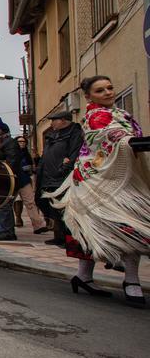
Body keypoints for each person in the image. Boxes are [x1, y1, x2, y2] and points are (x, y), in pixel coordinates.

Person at [50, 75, 150, 307]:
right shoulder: (93, 116)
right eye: (100, 90)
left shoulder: (122, 115)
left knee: (129, 224)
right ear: (88, 96)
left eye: (110, 87)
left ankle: (130, 279)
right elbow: (104, 136)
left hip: (122, 179)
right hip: (96, 180)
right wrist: (126, 141)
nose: (107, 92)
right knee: (99, 227)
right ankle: (86, 276)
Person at [35, 111, 84, 247]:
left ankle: (68, 239)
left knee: (65, 209)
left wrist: (63, 169)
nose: (51, 123)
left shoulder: (74, 133)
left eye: (54, 120)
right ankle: (58, 236)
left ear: (63, 120)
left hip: (62, 178)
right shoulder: (53, 135)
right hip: (47, 177)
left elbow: (74, 155)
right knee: (51, 207)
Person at [0, 117, 24, 241]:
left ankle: (7, 231)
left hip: (8, 178)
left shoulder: (10, 143)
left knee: (4, 204)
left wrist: (1, 169)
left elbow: (12, 162)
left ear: (0, 130)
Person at [13, 135, 48, 233]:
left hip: (25, 180)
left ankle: (38, 225)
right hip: (13, 180)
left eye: (23, 141)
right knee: (13, 203)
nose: (22, 143)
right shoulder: (12, 153)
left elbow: (33, 167)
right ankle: (15, 221)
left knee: (30, 202)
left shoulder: (27, 154)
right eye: (19, 141)